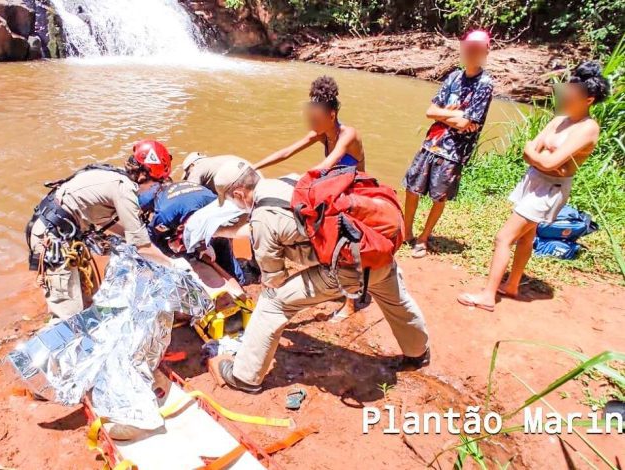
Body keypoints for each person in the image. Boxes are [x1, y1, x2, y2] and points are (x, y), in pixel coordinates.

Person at [211, 160, 430, 393]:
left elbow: (274, 279)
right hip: (376, 251)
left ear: (238, 193)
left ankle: (245, 377)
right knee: (398, 301)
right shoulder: (292, 180)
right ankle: (418, 353)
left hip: (346, 270)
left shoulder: (262, 218)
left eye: (232, 199)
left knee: (272, 303)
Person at [458, 62, 609, 311]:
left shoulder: (588, 128)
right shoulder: (561, 119)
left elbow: (547, 159)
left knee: (503, 238)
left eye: (572, 94)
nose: (566, 96)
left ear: (589, 99)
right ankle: (512, 284)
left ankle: (488, 295)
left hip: (551, 188)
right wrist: (542, 160)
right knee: (526, 236)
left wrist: (543, 159)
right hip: (534, 180)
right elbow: (529, 151)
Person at [254, 75, 366, 320]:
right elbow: (287, 151)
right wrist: (253, 166)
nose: (312, 122)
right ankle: (331, 276)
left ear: (331, 115)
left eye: (317, 117)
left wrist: (302, 184)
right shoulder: (322, 132)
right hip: (333, 187)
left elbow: (327, 164)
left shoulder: (348, 134)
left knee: (348, 241)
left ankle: (350, 303)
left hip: (354, 190)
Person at [26, 140, 176, 320]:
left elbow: (104, 220)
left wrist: (139, 238)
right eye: (156, 184)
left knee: (89, 299)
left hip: (63, 232)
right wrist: (173, 265)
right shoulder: (124, 189)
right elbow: (141, 246)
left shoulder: (114, 177)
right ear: (143, 176)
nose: (154, 189)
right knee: (68, 316)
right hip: (53, 238)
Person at [402, 30, 495, 258]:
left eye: (476, 48)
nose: (471, 52)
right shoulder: (453, 77)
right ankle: (406, 232)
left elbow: (467, 122)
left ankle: (424, 238)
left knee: (439, 196)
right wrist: (450, 115)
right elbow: (429, 111)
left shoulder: (485, 84)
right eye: (468, 48)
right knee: (412, 188)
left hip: (454, 151)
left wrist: (446, 115)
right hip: (431, 143)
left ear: (485, 51)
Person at [138, 180, 246, 284]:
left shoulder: (215, 205)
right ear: (180, 228)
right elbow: (153, 240)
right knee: (174, 255)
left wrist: (204, 245)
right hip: (172, 199)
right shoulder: (164, 216)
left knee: (222, 243)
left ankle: (238, 281)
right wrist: (170, 256)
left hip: (193, 199)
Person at [181, 153, 252, 193]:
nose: (188, 176)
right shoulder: (214, 161)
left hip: (241, 182)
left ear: (192, 165)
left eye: (187, 173)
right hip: (251, 173)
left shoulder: (198, 167)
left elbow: (190, 192)